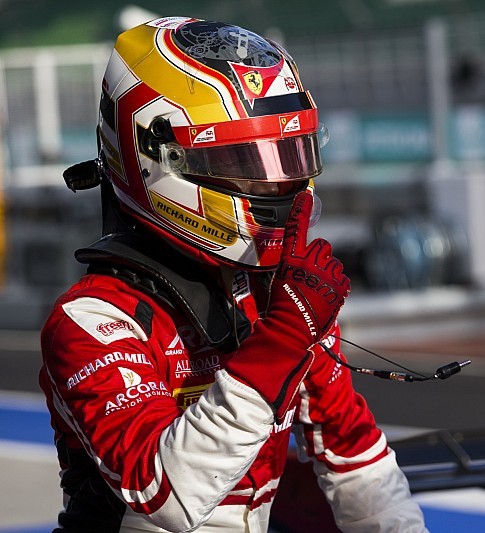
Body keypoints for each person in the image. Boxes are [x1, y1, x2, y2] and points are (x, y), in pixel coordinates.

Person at [39, 16, 427, 532]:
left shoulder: (275, 296)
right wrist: (283, 340)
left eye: (290, 155)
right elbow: (167, 497)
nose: (277, 186)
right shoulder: (90, 321)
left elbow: (357, 460)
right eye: (243, 161)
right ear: (155, 160)